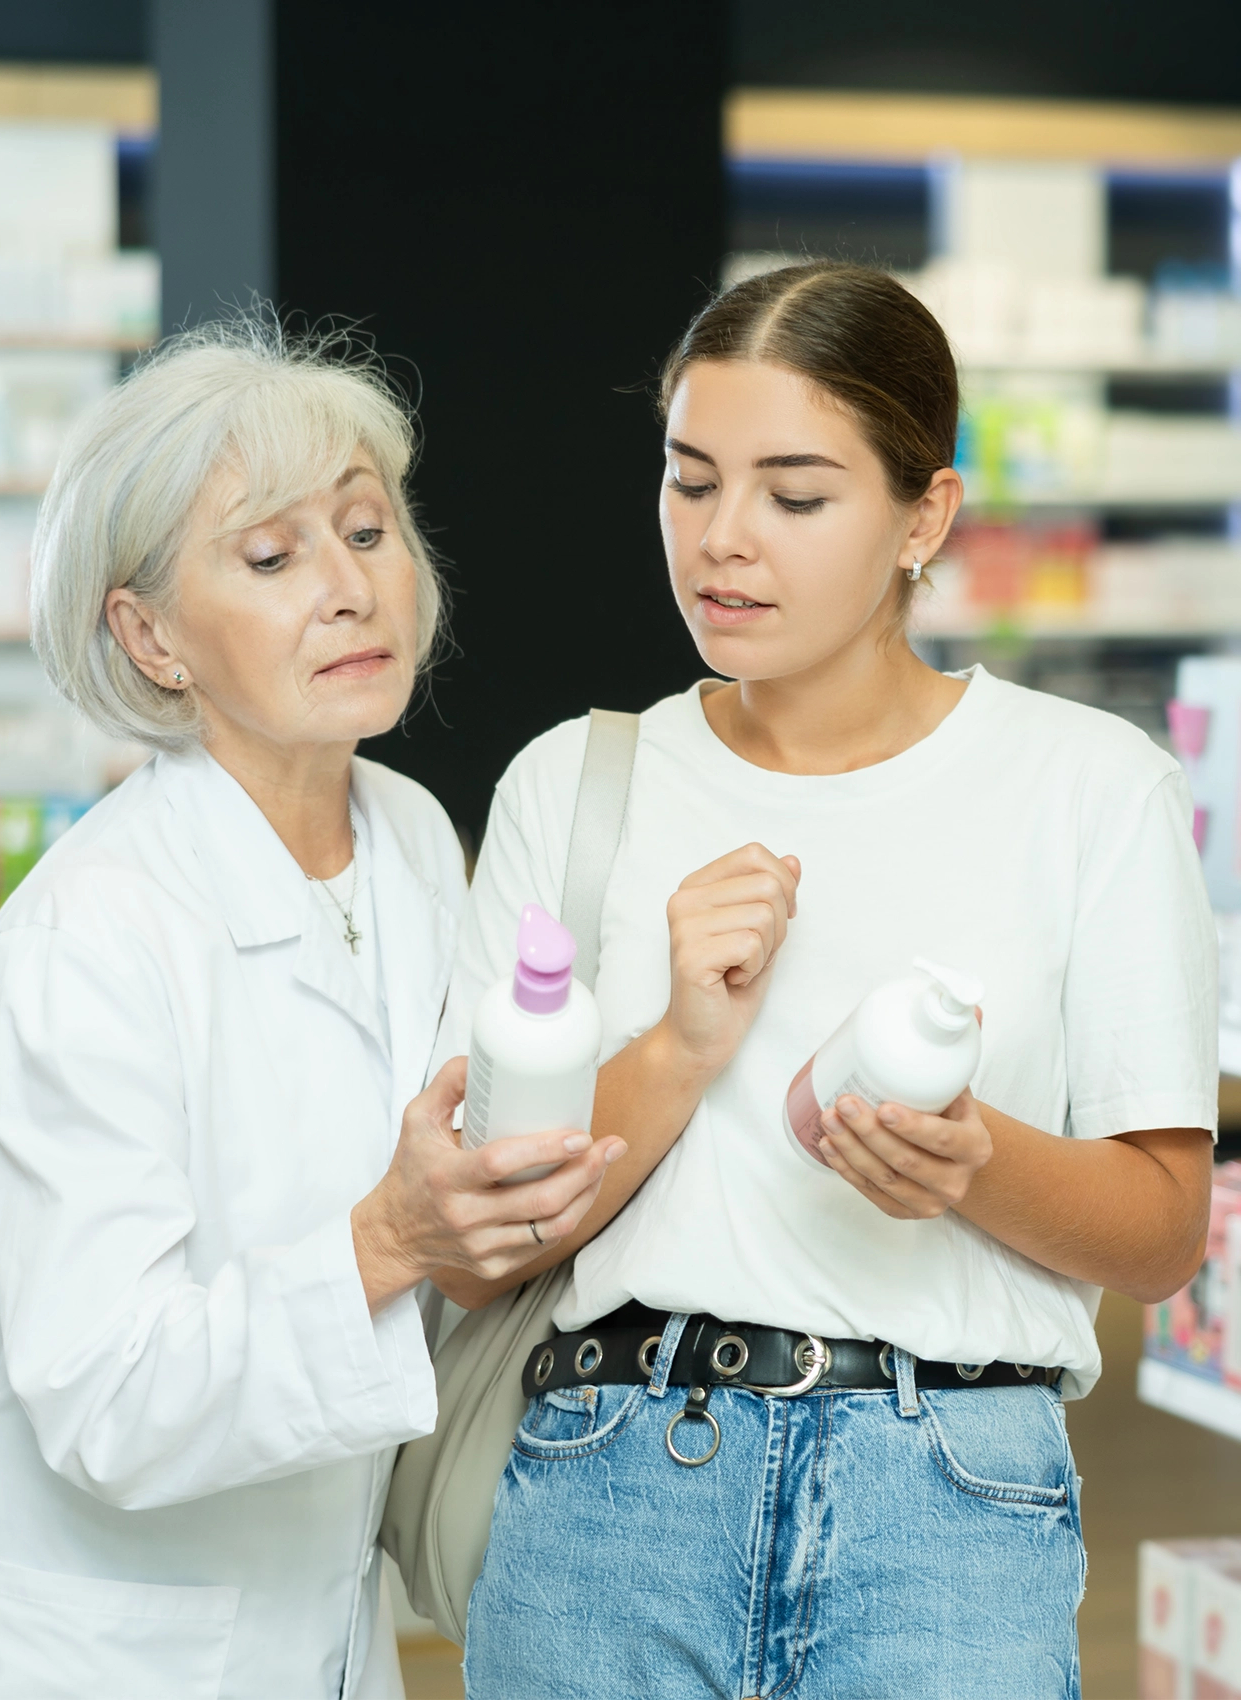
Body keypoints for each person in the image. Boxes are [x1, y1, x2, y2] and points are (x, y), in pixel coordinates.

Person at [437, 262, 1218, 1699]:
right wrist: (680, 1046)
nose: (722, 539)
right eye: (690, 481)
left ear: (926, 516)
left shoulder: (1090, 788)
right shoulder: (578, 785)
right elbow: (474, 1239)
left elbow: (1164, 1234)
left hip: (951, 1512)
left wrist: (973, 1166)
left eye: (794, 497)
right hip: (614, 1490)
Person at [0, 317, 622, 1700]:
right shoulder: (87, 941)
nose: (348, 588)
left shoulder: (413, 833)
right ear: (148, 635)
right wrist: (389, 1240)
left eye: (368, 533)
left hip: (329, 1623)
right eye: (271, 558)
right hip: (108, 1652)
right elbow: (107, 1398)